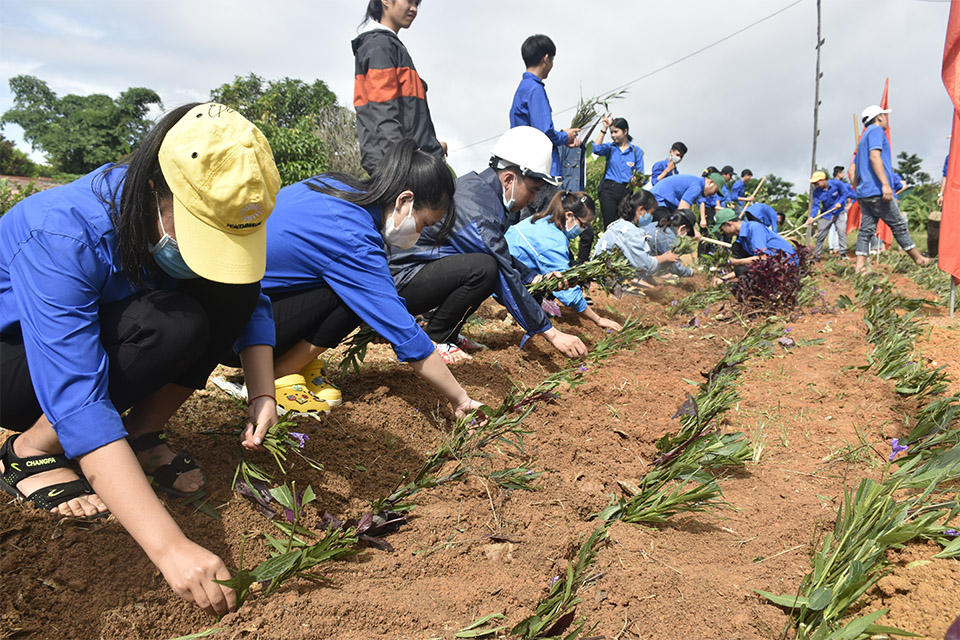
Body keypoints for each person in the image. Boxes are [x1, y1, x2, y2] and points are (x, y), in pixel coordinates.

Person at [0, 103, 282, 615]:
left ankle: (142, 433)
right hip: (16, 361)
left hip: (95, 349)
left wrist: (264, 390)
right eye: (200, 231)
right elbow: (74, 387)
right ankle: (29, 451)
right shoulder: (58, 229)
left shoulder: (170, 215)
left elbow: (250, 295)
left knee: (225, 294)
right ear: (155, 187)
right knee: (168, 323)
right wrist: (170, 548)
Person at [260, 139, 487, 411]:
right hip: (241, 330)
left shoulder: (337, 186)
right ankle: (277, 373)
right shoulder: (352, 235)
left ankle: (294, 362)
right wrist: (460, 398)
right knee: (352, 297)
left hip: (241, 304)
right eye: (424, 223)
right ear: (405, 200)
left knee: (352, 291)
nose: (419, 234)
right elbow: (403, 331)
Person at [389, 126, 588, 359]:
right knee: (486, 269)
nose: (533, 199)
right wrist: (551, 333)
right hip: (402, 285)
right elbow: (502, 270)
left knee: (486, 265)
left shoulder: (480, 191)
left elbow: (499, 252)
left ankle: (449, 333)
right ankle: (438, 337)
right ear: (509, 179)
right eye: (533, 190)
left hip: (419, 274)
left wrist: (534, 277)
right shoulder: (479, 210)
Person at [505, 191, 622, 331]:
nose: (583, 229)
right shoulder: (553, 241)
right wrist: (598, 319)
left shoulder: (546, 220)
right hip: (506, 284)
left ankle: (533, 305)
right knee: (559, 282)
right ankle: (521, 309)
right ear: (569, 215)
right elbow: (565, 289)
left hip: (513, 271)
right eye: (583, 224)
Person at [353, 0, 442, 175]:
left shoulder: (391, 45)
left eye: (417, 3)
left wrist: (432, 145)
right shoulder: (380, 45)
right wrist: (400, 170)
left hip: (413, 162)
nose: (414, 9)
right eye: (409, 1)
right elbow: (383, 113)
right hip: (402, 168)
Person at [849, 105, 931, 273]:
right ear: (879, 117)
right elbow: (875, 157)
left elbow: (852, 170)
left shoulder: (863, 138)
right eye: (884, 116)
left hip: (865, 193)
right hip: (878, 191)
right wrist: (885, 184)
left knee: (866, 231)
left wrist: (860, 188)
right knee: (899, 225)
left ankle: (859, 268)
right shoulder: (876, 131)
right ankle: (919, 259)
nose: (886, 119)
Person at [509, 33, 580, 218]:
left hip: (525, 167)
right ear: (546, 58)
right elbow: (544, 132)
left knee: (527, 222)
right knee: (547, 221)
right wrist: (565, 137)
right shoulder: (535, 89)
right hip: (543, 172)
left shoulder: (522, 88)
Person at [592, 200, 685, 280]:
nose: (651, 217)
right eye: (651, 213)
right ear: (641, 210)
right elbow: (644, 264)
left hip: (602, 267)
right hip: (605, 274)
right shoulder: (630, 231)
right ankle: (624, 281)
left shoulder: (622, 224)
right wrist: (665, 258)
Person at [713, 208, 796, 280]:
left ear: (729, 223)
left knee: (741, 269)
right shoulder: (741, 238)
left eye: (721, 228)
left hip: (786, 264)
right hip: (772, 264)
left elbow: (763, 258)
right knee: (736, 250)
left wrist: (736, 262)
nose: (722, 232)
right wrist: (724, 278)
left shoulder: (754, 228)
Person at [592, 115, 644, 228]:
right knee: (609, 224)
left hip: (626, 191)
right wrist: (604, 128)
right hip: (609, 189)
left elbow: (642, 175)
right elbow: (596, 149)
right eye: (611, 132)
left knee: (625, 223)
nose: (613, 135)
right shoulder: (610, 147)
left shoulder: (635, 151)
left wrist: (637, 181)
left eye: (616, 132)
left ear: (625, 131)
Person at [807, 170, 851, 259]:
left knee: (841, 231)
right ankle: (817, 256)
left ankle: (843, 253)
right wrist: (811, 217)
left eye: (817, 182)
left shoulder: (837, 183)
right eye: (814, 183)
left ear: (823, 180)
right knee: (820, 234)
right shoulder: (816, 192)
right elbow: (815, 206)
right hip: (827, 214)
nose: (816, 185)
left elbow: (845, 193)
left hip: (839, 212)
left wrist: (840, 202)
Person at [649, 171, 724, 212]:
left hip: (663, 202)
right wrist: (694, 232)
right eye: (715, 190)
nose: (713, 194)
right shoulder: (697, 187)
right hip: (658, 201)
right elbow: (682, 209)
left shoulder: (696, 182)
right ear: (710, 182)